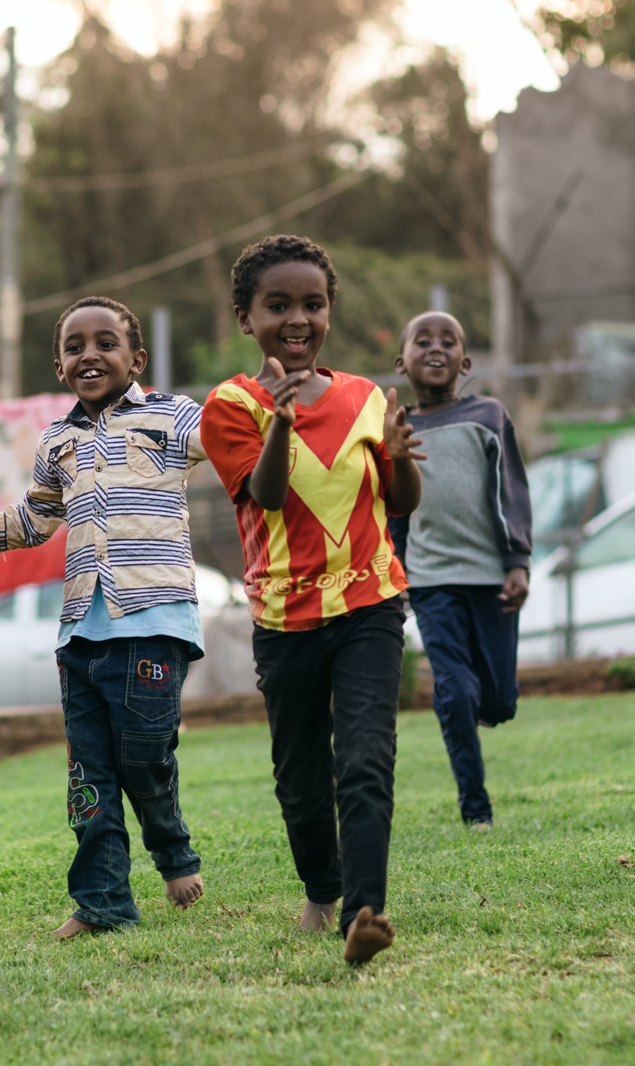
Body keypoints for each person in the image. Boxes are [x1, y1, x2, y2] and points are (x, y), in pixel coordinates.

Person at [200, 234, 423, 967]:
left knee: (365, 757)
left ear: (329, 312)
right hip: (283, 617)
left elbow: (399, 501)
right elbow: (261, 495)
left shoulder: (367, 396)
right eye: (278, 305)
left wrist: (398, 453)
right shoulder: (232, 404)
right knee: (300, 779)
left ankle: (364, 912)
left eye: (313, 304)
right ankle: (321, 890)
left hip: (370, 604)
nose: (298, 319)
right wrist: (282, 423)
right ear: (246, 317)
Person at [0, 296, 207, 939]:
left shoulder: (171, 415)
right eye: (75, 346)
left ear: (136, 358)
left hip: (155, 620)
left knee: (145, 759)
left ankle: (173, 855)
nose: (90, 355)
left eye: (106, 343)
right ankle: (103, 903)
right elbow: (34, 520)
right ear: (59, 365)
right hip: (80, 631)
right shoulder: (57, 440)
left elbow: (228, 440)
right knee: (89, 776)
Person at [389, 311, 532, 832]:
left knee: (498, 701)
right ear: (400, 360)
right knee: (454, 692)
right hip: (432, 582)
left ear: (465, 362)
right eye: (422, 340)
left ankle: (474, 706)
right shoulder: (398, 427)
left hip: (492, 576)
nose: (436, 348)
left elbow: (511, 489)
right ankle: (477, 810)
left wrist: (517, 561)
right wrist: (398, 571)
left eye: (448, 341)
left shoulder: (488, 415)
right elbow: (396, 506)